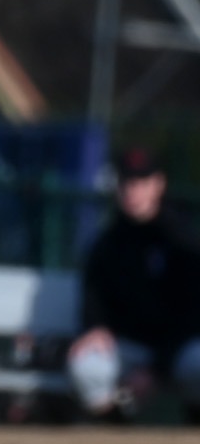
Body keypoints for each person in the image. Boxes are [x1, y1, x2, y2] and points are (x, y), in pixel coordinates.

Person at [66, 147, 200, 424]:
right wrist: (96, 328)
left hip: (177, 350)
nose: (132, 190)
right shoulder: (108, 242)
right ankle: (114, 431)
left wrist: (156, 369)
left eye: (141, 182)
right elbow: (93, 296)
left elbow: (192, 314)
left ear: (158, 184)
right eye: (126, 182)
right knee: (87, 364)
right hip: (127, 345)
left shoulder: (183, 239)